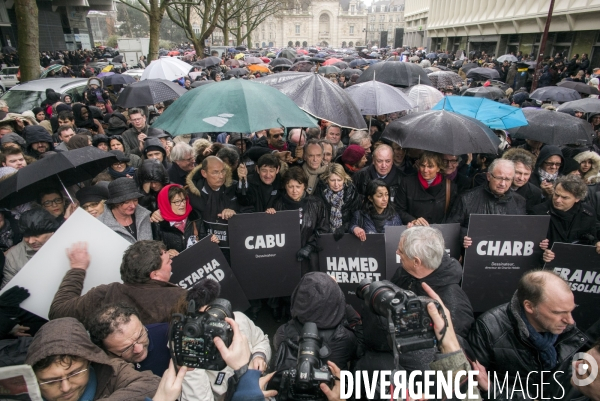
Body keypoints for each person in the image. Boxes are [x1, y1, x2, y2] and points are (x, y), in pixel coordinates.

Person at [468, 270, 588, 399]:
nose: (570, 320)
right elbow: (474, 388)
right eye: (558, 312)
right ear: (529, 306)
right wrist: (493, 390)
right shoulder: (490, 328)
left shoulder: (569, 331)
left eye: (571, 310)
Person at [175, 279, 272, 401]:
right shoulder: (188, 353)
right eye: (204, 320)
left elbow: (261, 340)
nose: (213, 321)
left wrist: (259, 355)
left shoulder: (239, 320)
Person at [49, 240, 186, 324]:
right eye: (168, 262)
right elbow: (58, 313)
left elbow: (57, 311)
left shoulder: (105, 294)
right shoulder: (180, 298)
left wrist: (77, 268)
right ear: (155, 274)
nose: (171, 262)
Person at [26, 317, 160, 401]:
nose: (66, 388)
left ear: (89, 361)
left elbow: (151, 384)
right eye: (50, 381)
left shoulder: (110, 369)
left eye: (74, 373)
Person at [273, 272, 359, 372]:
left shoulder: (283, 332)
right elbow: (356, 323)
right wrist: (335, 290)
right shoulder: (345, 337)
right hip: (333, 385)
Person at [447, 159, 527, 243]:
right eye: (499, 178)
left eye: (507, 179)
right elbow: (452, 227)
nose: (502, 184)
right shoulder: (467, 199)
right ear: (488, 176)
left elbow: (521, 231)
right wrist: (464, 236)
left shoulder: (519, 201)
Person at [270, 167, 329, 274]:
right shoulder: (278, 204)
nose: (294, 190)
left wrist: (310, 247)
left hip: (310, 258)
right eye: (290, 186)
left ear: (304, 186)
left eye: (298, 186)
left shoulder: (316, 203)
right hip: (286, 256)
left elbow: (323, 229)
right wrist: (269, 216)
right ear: (285, 186)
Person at [88, 303, 170, 377]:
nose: (139, 349)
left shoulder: (169, 333)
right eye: (126, 348)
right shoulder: (99, 370)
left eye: (141, 336)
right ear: (106, 352)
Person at [532, 175, 600, 262]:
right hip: (546, 264)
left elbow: (591, 237)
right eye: (556, 195)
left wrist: (596, 243)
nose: (558, 200)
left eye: (565, 197)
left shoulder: (587, 214)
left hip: (576, 262)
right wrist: (543, 253)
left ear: (577, 198)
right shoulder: (538, 212)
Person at [186, 156, 240, 254]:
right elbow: (176, 209)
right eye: (215, 172)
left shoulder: (234, 188)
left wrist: (235, 213)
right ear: (204, 173)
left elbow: (249, 209)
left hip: (233, 249)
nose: (221, 176)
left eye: (223, 171)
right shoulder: (191, 193)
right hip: (204, 249)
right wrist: (159, 213)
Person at [1, 208, 59, 290]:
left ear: (51, 232)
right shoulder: (13, 257)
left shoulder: (67, 243)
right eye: (26, 236)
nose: (31, 241)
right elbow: (7, 289)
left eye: (36, 235)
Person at [396, 151, 458, 226]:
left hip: (437, 233)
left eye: (430, 166)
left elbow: (452, 215)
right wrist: (413, 220)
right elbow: (398, 209)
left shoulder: (449, 187)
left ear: (438, 168)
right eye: (422, 165)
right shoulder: (407, 183)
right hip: (414, 231)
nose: (425, 170)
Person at [98, 177, 153, 243]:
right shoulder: (101, 225)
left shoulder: (144, 215)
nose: (133, 206)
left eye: (135, 200)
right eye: (127, 202)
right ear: (115, 203)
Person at [315, 163, 361, 240]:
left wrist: (345, 227)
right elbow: (316, 215)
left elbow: (356, 215)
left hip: (348, 235)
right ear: (327, 180)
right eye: (332, 180)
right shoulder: (320, 191)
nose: (336, 184)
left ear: (344, 179)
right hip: (324, 235)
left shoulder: (352, 192)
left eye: (339, 180)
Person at [153, 184, 203, 253]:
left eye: (183, 200)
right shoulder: (158, 224)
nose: (182, 204)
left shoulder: (195, 216)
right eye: (177, 202)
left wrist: (211, 240)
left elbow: (204, 239)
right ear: (167, 204)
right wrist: (166, 253)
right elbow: (155, 251)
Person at [502, 148, 543, 213]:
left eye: (526, 174)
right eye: (518, 173)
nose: (521, 178)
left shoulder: (535, 193)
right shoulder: (497, 187)